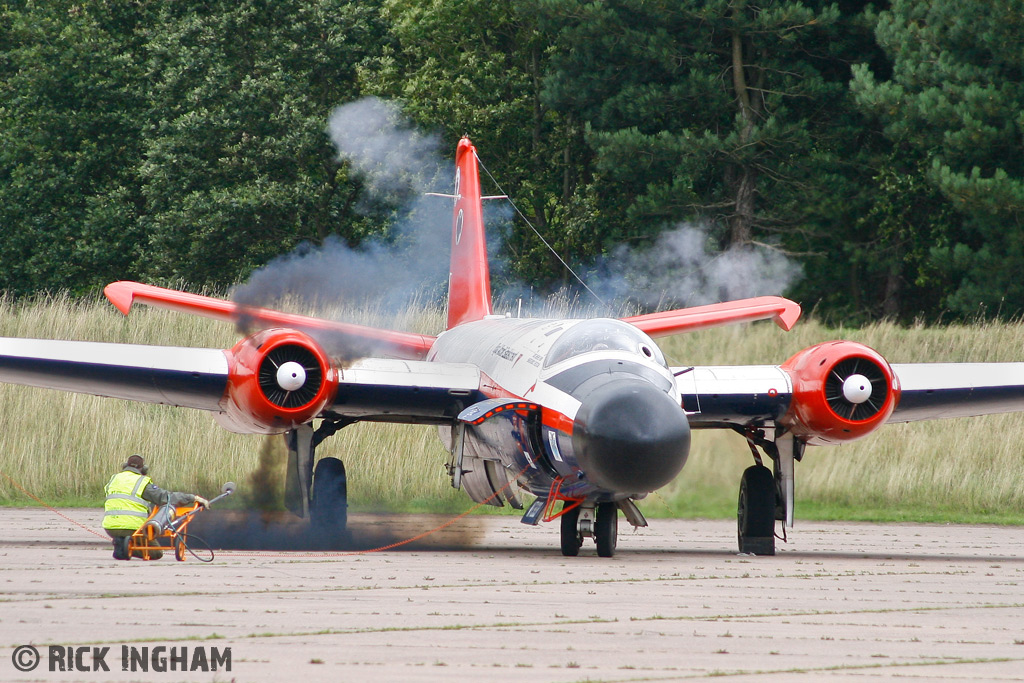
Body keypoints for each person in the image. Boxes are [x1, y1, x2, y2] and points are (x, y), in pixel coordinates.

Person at [102, 455, 208, 560]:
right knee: (156, 553)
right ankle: (124, 548)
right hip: (132, 527)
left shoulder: (114, 479)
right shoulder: (140, 482)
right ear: (143, 469)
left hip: (110, 527)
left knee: (128, 536)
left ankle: (121, 542)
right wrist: (192, 498)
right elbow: (166, 497)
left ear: (125, 466)